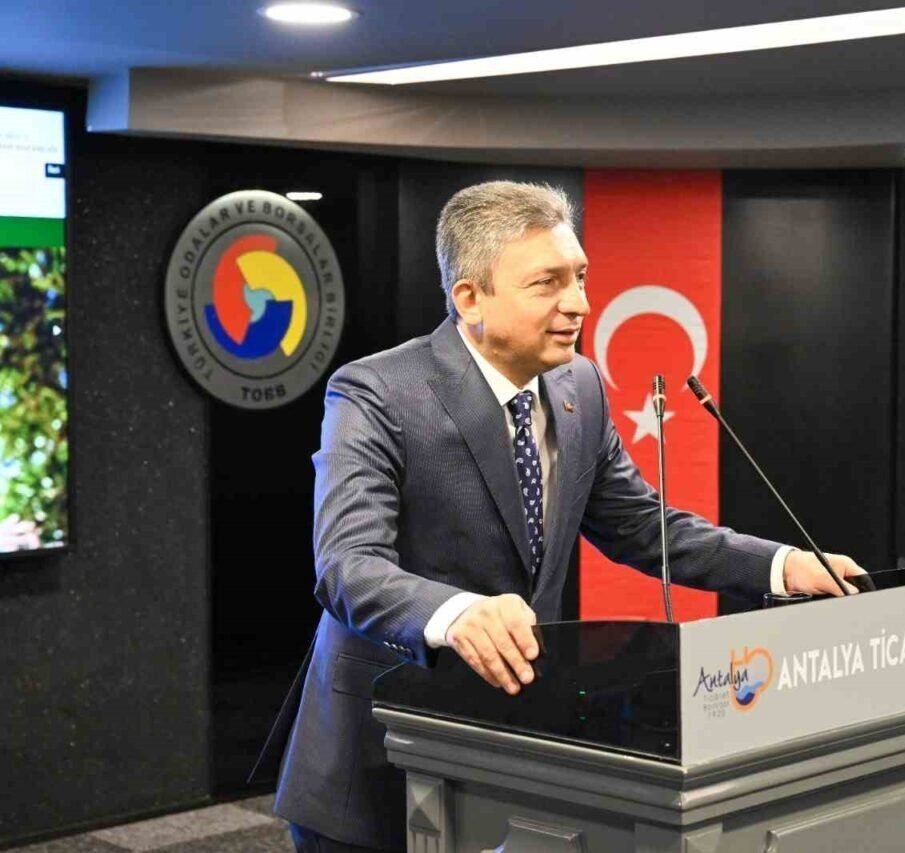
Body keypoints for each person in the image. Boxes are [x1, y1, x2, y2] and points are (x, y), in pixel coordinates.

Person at [271, 181, 866, 851]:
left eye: (579, 277)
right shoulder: (375, 391)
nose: (579, 303)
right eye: (547, 283)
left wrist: (783, 567)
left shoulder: (578, 383)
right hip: (379, 755)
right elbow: (347, 565)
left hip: (516, 750)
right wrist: (457, 613)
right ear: (470, 298)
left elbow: (641, 525)